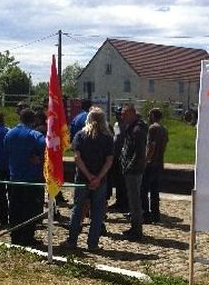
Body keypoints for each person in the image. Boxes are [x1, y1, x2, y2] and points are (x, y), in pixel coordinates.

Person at [61, 107, 113, 251]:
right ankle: (93, 243)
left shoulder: (80, 135)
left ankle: (72, 241)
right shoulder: (108, 137)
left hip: (82, 179)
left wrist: (89, 176)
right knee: (97, 213)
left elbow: (77, 158)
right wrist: (98, 178)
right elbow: (109, 161)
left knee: (77, 210)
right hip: (100, 180)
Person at [4, 108, 45, 246]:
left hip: (14, 177)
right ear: (33, 120)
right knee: (30, 209)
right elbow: (46, 151)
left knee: (15, 208)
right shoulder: (35, 135)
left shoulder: (9, 134)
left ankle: (15, 236)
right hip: (31, 178)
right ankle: (27, 237)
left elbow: (7, 151)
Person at [120, 103, 148, 241]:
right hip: (131, 169)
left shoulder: (137, 130)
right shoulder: (132, 128)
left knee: (135, 200)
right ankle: (134, 226)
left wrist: (129, 167)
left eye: (125, 114)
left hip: (134, 171)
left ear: (132, 113)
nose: (122, 116)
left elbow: (139, 153)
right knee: (132, 200)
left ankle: (137, 229)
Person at [141, 108, 169, 223]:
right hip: (159, 162)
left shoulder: (153, 128)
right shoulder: (164, 129)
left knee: (144, 189)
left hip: (151, 163)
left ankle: (146, 214)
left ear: (152, 115)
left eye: (149, 115)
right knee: (155, 191)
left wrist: (146, 160)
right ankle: (155, 215)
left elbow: (151, 145)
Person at [108, 108, 128, 212]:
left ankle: (124, 202)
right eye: (116, 114)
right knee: (117, 181)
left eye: (119, 114)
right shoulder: (116, 125)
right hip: (115, 155)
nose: (118, 116)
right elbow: (116, 138)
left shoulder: (127, 125)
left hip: (123, 156)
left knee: (123, 181)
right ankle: (119, 201)